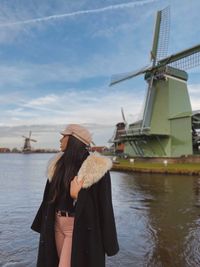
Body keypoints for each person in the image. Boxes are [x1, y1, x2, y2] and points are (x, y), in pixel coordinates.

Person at [31, 124, 119, 267]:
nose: (60, 140)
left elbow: (105, 206)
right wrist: (42, 223)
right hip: (56, 224)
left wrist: (76, 196)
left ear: (73, 139)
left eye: (64, 136)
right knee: (54, 261)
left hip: (77, 228)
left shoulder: (96, 169)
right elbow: (48, 198)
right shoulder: (58, 165)